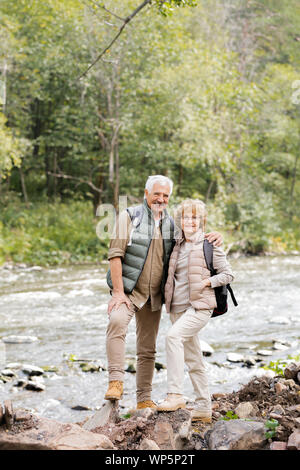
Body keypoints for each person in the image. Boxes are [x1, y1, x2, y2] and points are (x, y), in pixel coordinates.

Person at [104, 177, 223, 410]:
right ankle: (116, 381)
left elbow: (193, 237)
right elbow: (115, 255)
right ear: (146, 193)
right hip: (129, 291)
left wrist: (215, 236)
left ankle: (143, 398)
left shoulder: (171, 225)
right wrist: (118, 292)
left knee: (147, 349)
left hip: (154, 296)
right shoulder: (129, 217)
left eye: (166, 196)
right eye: (157, 194)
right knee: (117, 323)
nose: (161, 199)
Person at [157, 199, 234, 422]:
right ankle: (203, 408)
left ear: (202, 221)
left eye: (194, 217)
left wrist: (207, 283)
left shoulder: (209, 245)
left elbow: (228, 275)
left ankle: (175, 395)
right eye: (186, 217)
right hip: (177, 309)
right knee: (194, 359)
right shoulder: (177, 244)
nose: (189, 221)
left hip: (200, 307)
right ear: (180, 220)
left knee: (172, 338)